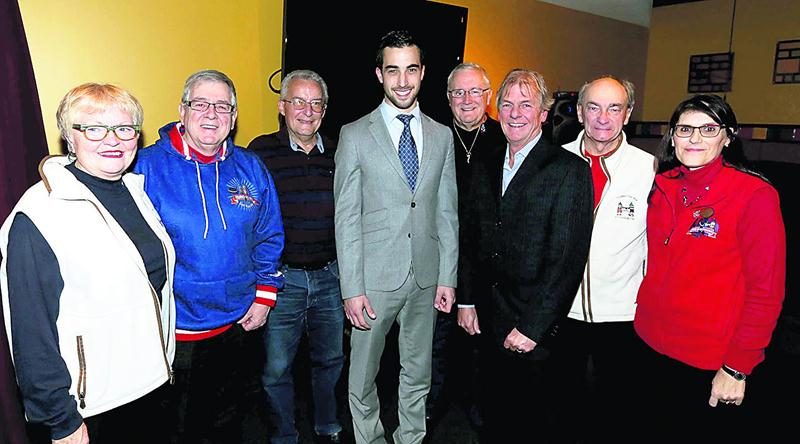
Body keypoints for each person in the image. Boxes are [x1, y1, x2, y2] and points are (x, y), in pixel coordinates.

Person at [0, 83, 176, 444]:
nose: (112, 139)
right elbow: (31, 330)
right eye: (94, 128)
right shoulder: (39, 213)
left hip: (152, 384)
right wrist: (60, 419)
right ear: (70, 136)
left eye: (124, 128)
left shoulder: (135, 191)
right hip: (92, 407)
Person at [133, 69, 285, 444]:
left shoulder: (250, 166)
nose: (211, 114)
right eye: (200, 104)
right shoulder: (144, 167)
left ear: (234, 116)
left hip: (240, 325)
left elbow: (269, 234)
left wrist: (265, 296)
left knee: (230, 423)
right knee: (178, 429)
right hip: (176, 331)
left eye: (222, 106)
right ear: (182, 110)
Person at [634, 94, 785, 441]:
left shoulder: (754, 195)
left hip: (709, 360)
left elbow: (766, 292)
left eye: (708, 129)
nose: (695, 138)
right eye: (685, 129)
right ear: (672, 136)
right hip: (649, 343)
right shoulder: (663, 185)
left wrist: (737, 367)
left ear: (727, 137)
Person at [333, 30, 458, 444]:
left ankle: (411, 438)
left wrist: (448, 277)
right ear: (379, 74)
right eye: (393, 70)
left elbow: (447, 212)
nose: (402, 81)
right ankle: (369, 439)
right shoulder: (354, 134)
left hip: (426, 276)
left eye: (410, 70)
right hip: (372, 281)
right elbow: (346, 217)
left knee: (418, 372)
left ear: (423, 73)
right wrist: (352, 288)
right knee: (363, 375)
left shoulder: (441, 135)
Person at [457, 68, 593, 443]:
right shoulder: (484, 162)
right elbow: (470, 237)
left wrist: (533, 327)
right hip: (486, 322)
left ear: (544, 113)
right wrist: (466, 299)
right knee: (492, 420)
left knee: (531, 425)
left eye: (526, 104)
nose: (515, 113)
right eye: (507, 104)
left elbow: (567, 260)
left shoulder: (568, 171)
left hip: (534, 331)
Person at [551, 75, 655, 443]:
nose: (603, 117)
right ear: (580, 112)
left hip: (624, 315)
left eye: (614, 108)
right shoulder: (553, 161)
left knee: (617, 413)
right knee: (563, 411)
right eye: (593, 107)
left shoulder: (650, 169)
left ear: (628, 114)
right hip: (561, 313)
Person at [247, 69, 348, 444]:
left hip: (331, 276)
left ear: (324, 109)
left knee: (331, 360)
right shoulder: (260, 152)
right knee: (276, 369)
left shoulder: (340, 151)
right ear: (282, 107)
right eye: (298, 101)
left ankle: (327, 423)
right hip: (281, 280)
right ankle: (284, 434)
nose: (307, 111)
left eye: (316, 103)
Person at [427, 62, 505, 431]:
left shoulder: (506, 139)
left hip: (488, 264)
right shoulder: (433, 138)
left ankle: (479, 407)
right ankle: (432, 406)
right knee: (435, 343)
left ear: (488, 97)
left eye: (475, 91)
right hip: (438, 259)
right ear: (448, 98)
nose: (467, 99)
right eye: (459, 92)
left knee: (481, 345)